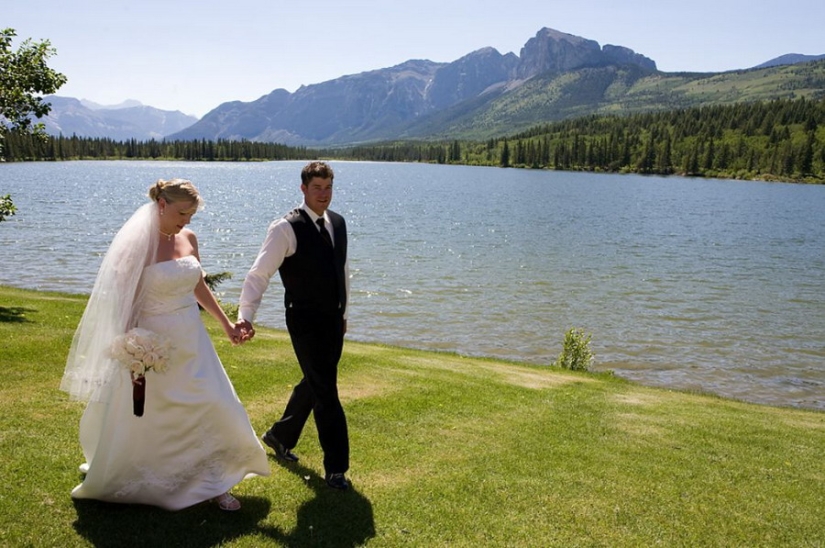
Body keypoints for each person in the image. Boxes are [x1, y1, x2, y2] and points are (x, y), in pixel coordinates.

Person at [61, 179, 269, 512]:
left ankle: (216, 480)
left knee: (215, 402)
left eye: (191, 215)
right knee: (157, 414)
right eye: (182, 213)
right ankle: (157, 478)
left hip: (192, 339)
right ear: (162, 203)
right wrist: (133, 346)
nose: (186, 221)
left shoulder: (188, 238)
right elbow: (124, 301)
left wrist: (226, 324)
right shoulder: (137, 245)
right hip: (154, 341)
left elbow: (197, 283)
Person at [237, 161, 351, 490]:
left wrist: (344, 313)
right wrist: (246, 315)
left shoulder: (339, 223)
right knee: (327, 390)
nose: (324, 194)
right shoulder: (285, 228)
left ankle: (279, 435)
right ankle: (337, 468)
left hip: (333, 320)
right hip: (303, 320)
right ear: (303, 188)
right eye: (317, 188)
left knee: (316, 381)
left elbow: (342, 271)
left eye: (328, 187)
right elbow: (259, 274)